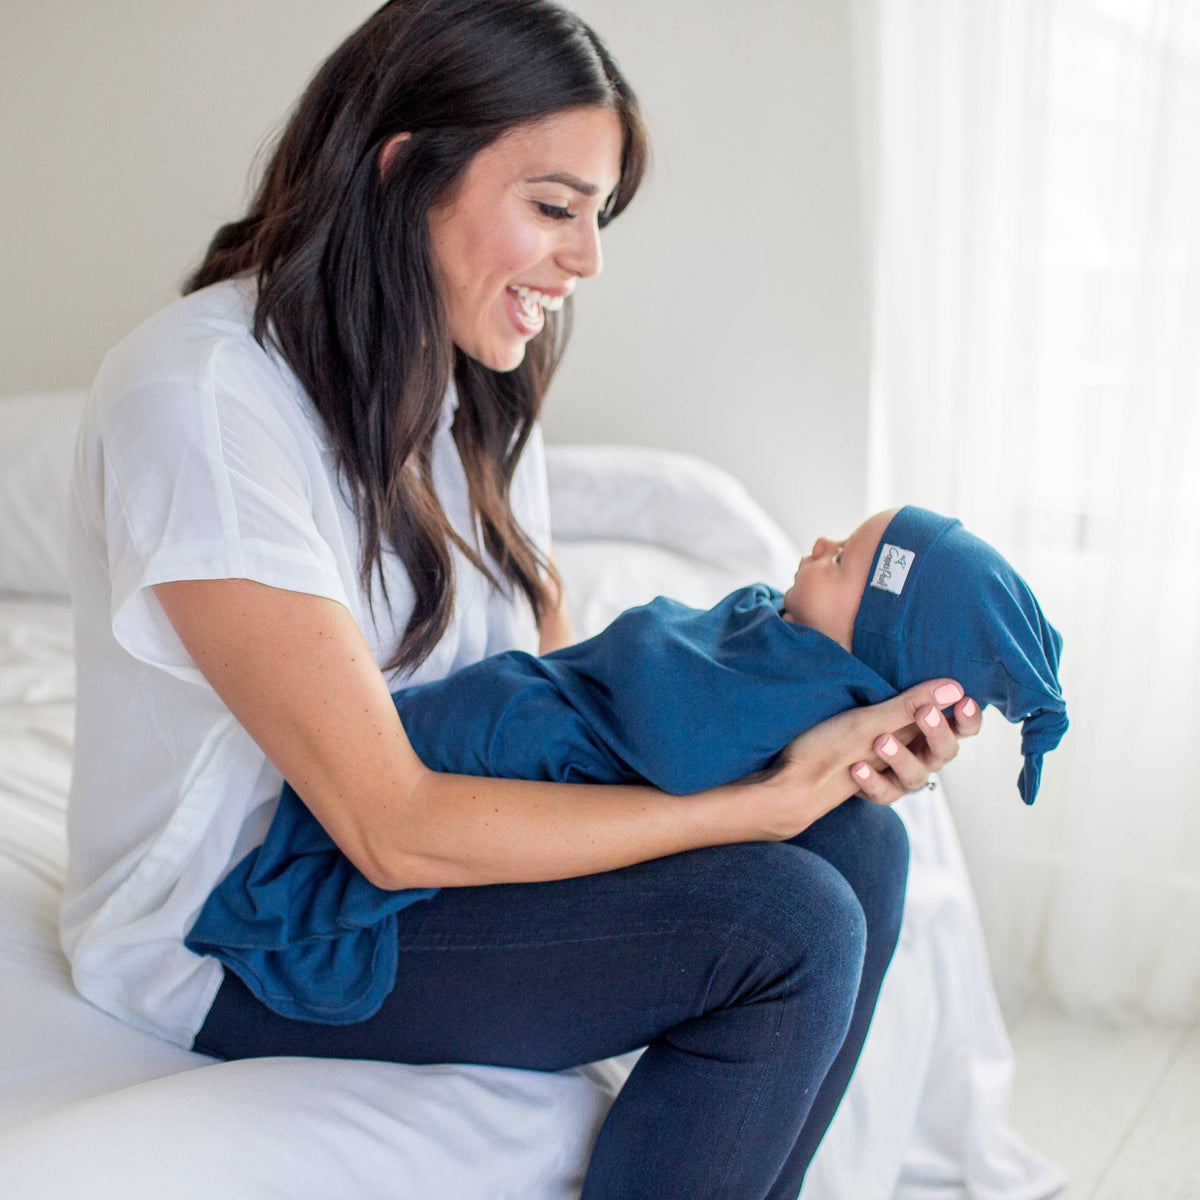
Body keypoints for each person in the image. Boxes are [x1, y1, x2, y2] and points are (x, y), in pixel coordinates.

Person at [59, 3, 985, 1197]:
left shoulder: (467, 387)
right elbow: (389, 827)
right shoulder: (197, 399)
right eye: (555, 207)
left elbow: (557, 706)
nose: (588, 258)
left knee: (858, 839)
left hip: (414, 865)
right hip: (246, 928)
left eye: (598, 216)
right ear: (403, 172)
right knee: (783, 923)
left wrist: (802, 737)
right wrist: (747, 814)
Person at [187, 503, 1067, 1025]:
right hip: (424, 786)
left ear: (867, 651)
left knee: (867, 842)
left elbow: (671, 730)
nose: (812, 548)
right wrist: (768, 800)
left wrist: (811, 776)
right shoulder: (787, 649)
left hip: (525, 736)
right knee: (800, 909)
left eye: (839, 562)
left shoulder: (795, 682)